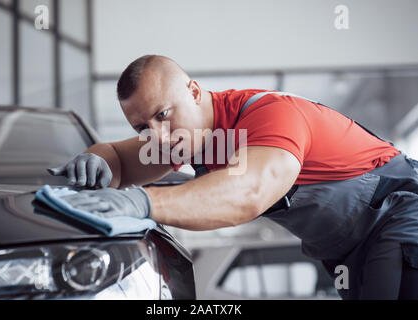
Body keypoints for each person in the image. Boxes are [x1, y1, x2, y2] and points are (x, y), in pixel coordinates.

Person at [48, 55, 418, 299]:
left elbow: (248, 191)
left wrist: (142, 202)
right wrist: (95, 160)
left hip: (398, 215)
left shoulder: (271, 116)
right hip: (344, 250)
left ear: (193, 91)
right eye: (142, 126)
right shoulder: (181, 139)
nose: (157, 136)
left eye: (163, 114)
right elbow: (118, 159)